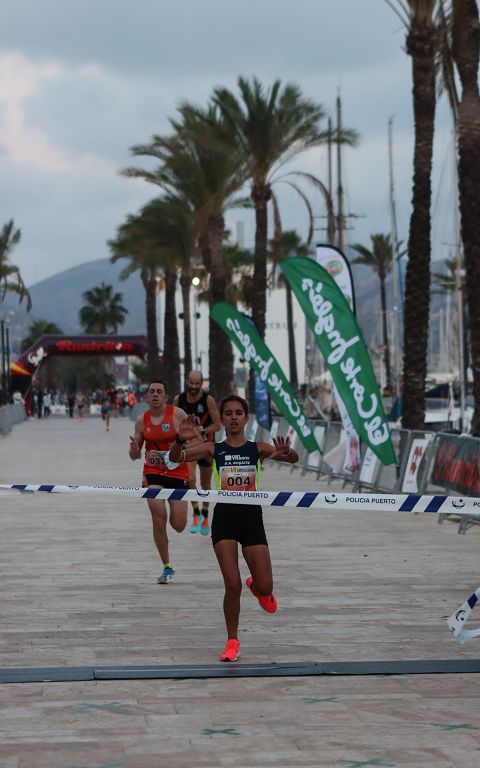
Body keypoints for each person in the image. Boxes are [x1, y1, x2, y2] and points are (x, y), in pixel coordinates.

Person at [170, 393, 298, 662]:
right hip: (225, 521)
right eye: (228, 414)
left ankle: (258, 587)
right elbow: (175, 458)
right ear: (223, 420)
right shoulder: (213, 449)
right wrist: (180, 439)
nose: (233, 418)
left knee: (264, 586)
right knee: (232, 585)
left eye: (238, 413)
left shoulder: (258, 448)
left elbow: (293, 459)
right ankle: (232, 641)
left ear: (246, 418)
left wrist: (287, 452)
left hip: (252, 520)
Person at [129, 380, 190, 584]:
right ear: (147, 397)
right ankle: (167, 567)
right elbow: (133, 453)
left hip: (177, 473)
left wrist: (188, 447)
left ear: (165, 397)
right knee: (158, 517)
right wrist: (135, 450)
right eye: (151, 391)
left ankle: (174, 523)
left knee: (179, 524)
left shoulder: (178, 415)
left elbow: (196, 439)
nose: (155, 394)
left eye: (159, 392)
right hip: (152, 471)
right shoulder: (141, 420)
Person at [174, 371, 221, 536]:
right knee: (190, 479)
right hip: (189, 448)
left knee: (206, 483)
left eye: (197, 384)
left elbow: (218, 425)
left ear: (201, 383)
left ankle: (206, 516)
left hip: (207, 447)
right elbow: (175, 423)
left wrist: (203, 429)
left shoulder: (208, 400)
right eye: (191, 383)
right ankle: (196, 513)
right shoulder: (178, 400)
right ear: (187, 381)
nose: (194, 387)